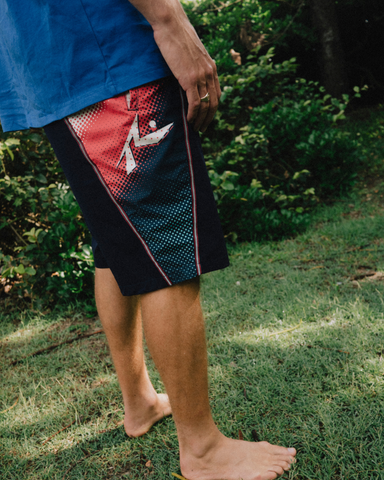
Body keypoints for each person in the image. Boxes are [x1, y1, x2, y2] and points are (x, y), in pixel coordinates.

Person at [0, 1, 296, 478]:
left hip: (52, 64)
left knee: (116, 244)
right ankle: (202, 449)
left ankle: (139, 402)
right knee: (166, 246)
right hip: (106, 55)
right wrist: (169, 20)